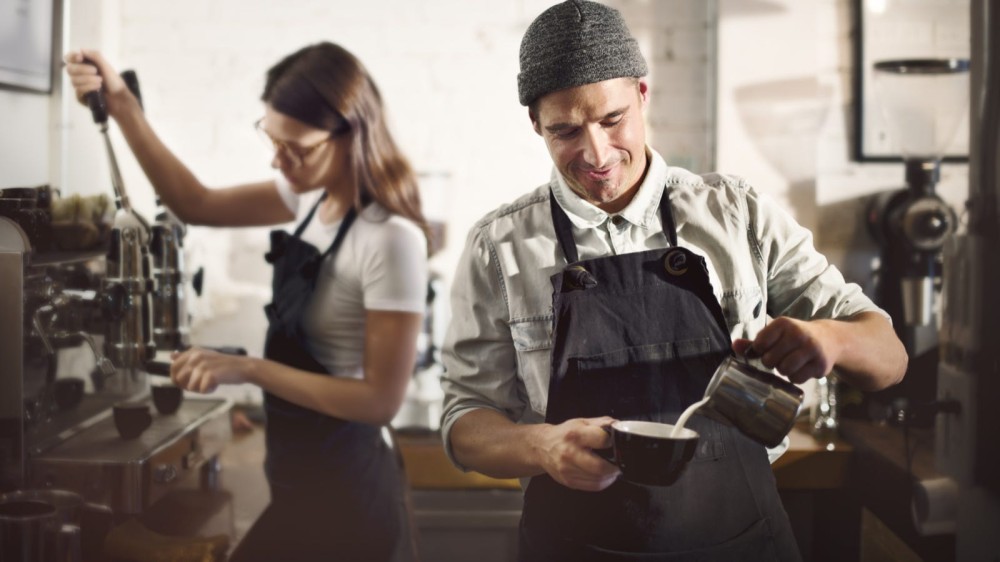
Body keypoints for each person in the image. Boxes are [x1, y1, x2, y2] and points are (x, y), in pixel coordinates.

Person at [439, 1, 908, 560]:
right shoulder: (500, 247)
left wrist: (830, 339)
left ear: (642, 95)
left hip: (742, 543)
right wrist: (539, 446)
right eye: (565, 130)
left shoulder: (737, 214)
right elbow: (465, 419)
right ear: (535, 124)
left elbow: (889, 358)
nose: (596, 153)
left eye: (612, 120)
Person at [65, 42, 427, 561]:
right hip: (293, 477)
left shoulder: (390, 238)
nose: (280, 161)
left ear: (352, 135)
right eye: (272, 139)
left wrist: (250, 370)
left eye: (297, 149)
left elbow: (379, 401)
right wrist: (122, 104)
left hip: (349, 494)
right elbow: (196, 203)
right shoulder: (307, 198)